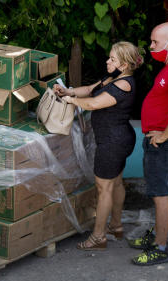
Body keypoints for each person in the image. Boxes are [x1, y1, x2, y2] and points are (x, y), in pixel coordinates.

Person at [56, 42, 143, 250]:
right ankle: (116, 226)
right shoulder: (114, 77)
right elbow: (88, 90)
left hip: (113, 143)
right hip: (118, 139)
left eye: (112, 59)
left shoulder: (123, 85)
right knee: (116, 183)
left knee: (103, 188)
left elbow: (94, 103)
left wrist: (71, 102)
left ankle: (98, 237)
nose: (107, 61)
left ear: (123, 65)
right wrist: (68, 91)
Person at [124, 22, 168, 266]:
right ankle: (155, 237)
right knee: (157, 193)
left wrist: (163, 136)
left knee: (161, 195)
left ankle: (160, 248)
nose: (151, 46)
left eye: (155, 42)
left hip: (162, 142)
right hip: (158, 140)